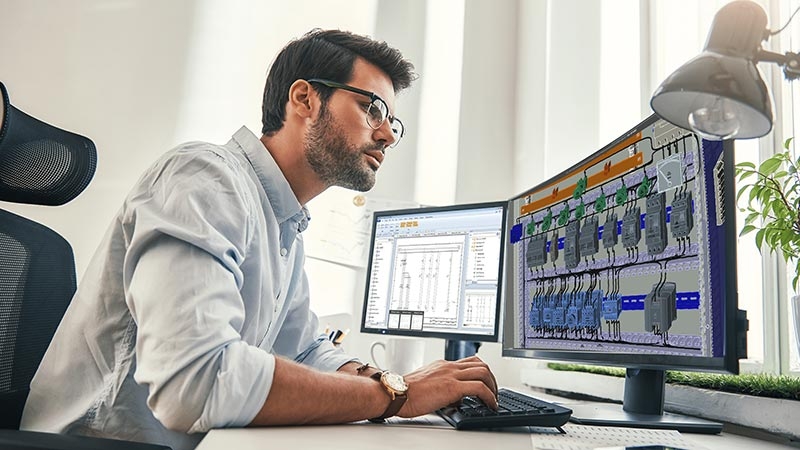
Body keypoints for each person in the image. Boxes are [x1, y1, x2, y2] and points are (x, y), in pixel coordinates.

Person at [21, 29, 498, 450]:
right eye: (372, 107)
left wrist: (384, 380)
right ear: (305, 99)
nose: (386, 135)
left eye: (392, 121)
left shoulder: (283, 223)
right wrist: (399, 393)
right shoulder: (204, 179)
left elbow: (307, 348)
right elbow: (197, 382)